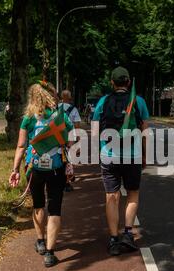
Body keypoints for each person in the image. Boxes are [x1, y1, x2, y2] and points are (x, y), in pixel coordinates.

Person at [9, 82, 73, 267]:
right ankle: (50, 254)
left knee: (38, 205)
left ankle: (40, 241)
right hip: (56, 168)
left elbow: (21, 146)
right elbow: (68, 142)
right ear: (51, 96)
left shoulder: (28, 118)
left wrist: (15, 170)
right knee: (55, 208)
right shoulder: (60, 118)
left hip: (33, 168)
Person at [92, 66, 150, 256]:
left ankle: (113, 238)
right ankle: (127, 233)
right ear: (128, 82)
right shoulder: (138, 101)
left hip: (109, 155)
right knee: (132, 194)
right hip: (132, 156)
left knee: (112, 196)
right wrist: (144, 154)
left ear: (112, 83)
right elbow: (144, 132)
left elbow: (94, 131)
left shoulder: (103, 101)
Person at [58, 90, 81, 192]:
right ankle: (67, 183)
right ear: (70, 97)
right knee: (69, 159)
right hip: (69, 137)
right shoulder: (74, 109)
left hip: (57, 136)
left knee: (58, 157)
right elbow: (76, 126)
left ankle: (59, 179)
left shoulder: (56, 107)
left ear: (61, 97)